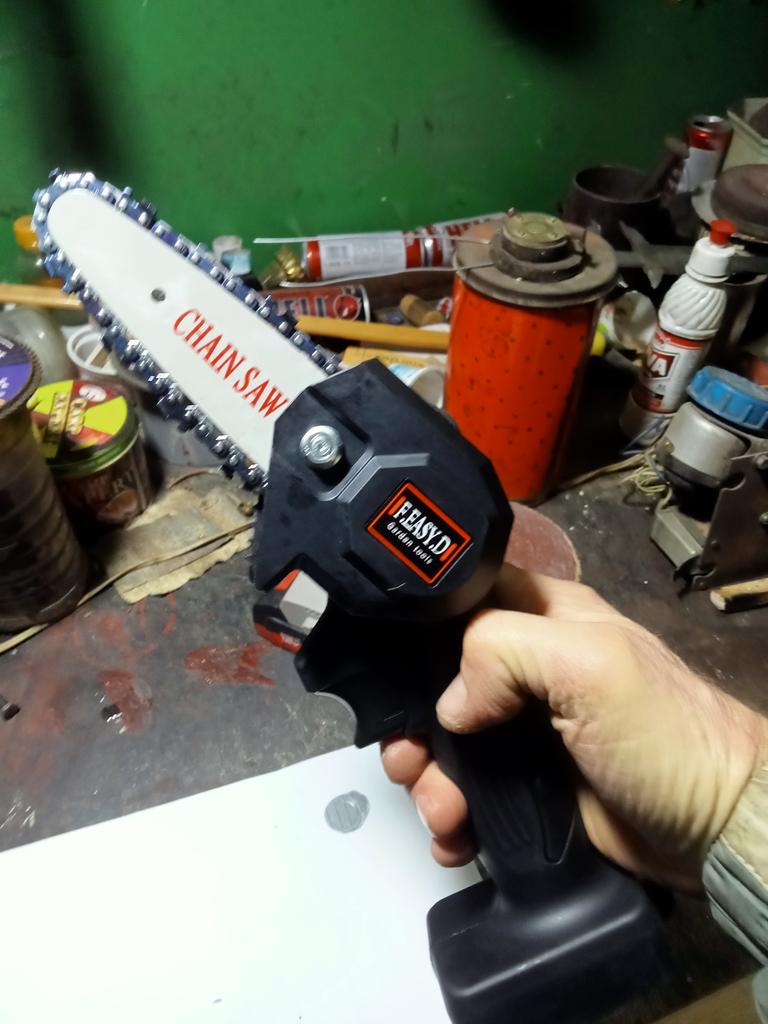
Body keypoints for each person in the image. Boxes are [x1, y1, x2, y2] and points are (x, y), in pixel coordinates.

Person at [381, 566, 768, 1021]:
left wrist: (719, 799)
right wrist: (724, 799)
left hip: (560, 894)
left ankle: (562, 901)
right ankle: (564, 897)